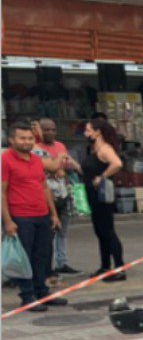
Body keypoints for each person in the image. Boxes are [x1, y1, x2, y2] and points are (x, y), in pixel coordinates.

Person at [2, 120, 66, 309]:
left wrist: (53, 214)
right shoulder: (5, 160)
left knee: (43, 257)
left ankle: (42, 292)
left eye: (30, 138)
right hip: (20, 217)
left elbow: (44, 187)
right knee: (25, 258)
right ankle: (27, 296)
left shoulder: (36, 159)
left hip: (42, 215)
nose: (27, 142)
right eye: (22, 138)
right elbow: (1, 192)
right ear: (12, 140)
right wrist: (7, 221)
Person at [34, 118, 81, 275]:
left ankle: (62, 262)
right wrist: (55, 168)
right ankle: (49, 267)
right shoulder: (35, 148)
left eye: (53, 129)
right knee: (49, 233)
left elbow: (67, 165)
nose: (50, 133)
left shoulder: (61, 146)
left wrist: (66, 169)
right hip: (46, 195)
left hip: (62, 192)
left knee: (62, 230)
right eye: (46, 129)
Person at [82, 117, 126, 280]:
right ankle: (105, 265)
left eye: (88, 130)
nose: (86, 133)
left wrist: (102, 176)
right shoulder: (94, 149)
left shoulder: (105, 149)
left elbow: (117, 163)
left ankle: (120, 268)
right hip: (93, 195)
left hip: (102, 196)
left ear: (97, 132)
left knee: (107, 231)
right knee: (100, 231)